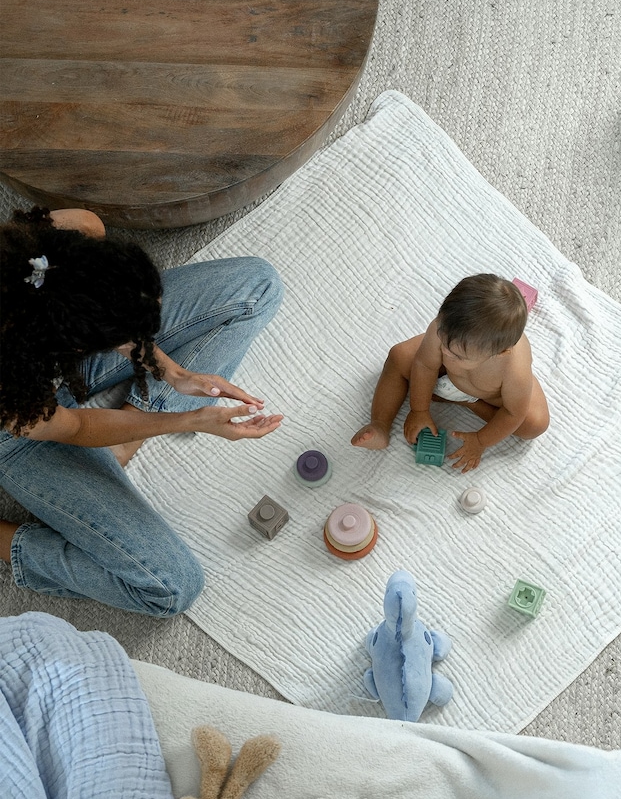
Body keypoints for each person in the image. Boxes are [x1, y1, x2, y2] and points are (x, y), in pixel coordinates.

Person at [0, 206, 283, 616]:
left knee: (258, 284)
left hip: (49, 354)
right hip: (19, 422)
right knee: (172, 588)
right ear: (73, 342)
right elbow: (75, 425)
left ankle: (124, 438)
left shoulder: (68, 235)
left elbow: (113, 319)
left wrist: (174, 373)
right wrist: (189, 419)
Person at [351, 273, 549, 471]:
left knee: (534, 424)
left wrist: (480, 441)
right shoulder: (442, 329)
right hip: (447, 375)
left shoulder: (515, 370)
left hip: (491, 398)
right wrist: (419, 410)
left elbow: (513, 413)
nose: (444, 350)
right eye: (443, 340)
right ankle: (380, 424)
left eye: (457, 355)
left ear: (500, 352)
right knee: (398, 355)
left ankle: (464, 401)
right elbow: (425, 364)